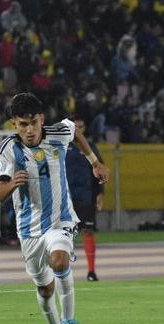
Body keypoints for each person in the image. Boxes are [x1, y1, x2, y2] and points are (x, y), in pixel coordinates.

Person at [0, 93, 110, 324]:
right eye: (23, 124)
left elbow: (76, 133)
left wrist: (95, 162)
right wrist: (12, 183)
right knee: (45, 289)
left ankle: (69, 321)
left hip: (61, 219)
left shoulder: (58, 132)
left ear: (42, 119)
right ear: (14, 124)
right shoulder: (8, 149)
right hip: (29, 229)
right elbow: (0, 193)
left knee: (60, 262)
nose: (29, 130)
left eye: (33, 122)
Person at [66, 115, 104, 282]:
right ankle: (62, 272)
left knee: (88, 231)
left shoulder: (90, 148)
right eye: (76, 126)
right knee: (63, 235)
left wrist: (100, 193)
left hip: (85, 196)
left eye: (81, 126)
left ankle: (91, 271)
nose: (79, 129)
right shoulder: (61, 145)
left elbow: (99, 170)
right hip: (65, 198)